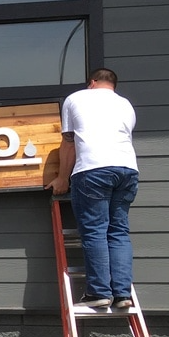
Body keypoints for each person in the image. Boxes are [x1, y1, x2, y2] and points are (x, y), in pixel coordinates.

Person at [46, 68, 139, 309]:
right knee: (118, 231)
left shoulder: (76, 98)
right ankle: (122, 295)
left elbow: (69, 145)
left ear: (92, 82)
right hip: (127, 170)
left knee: (95, 231)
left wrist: (61, 178)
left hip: (93, 169)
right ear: (113, 86)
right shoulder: (126, 105)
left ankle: (99, 292)